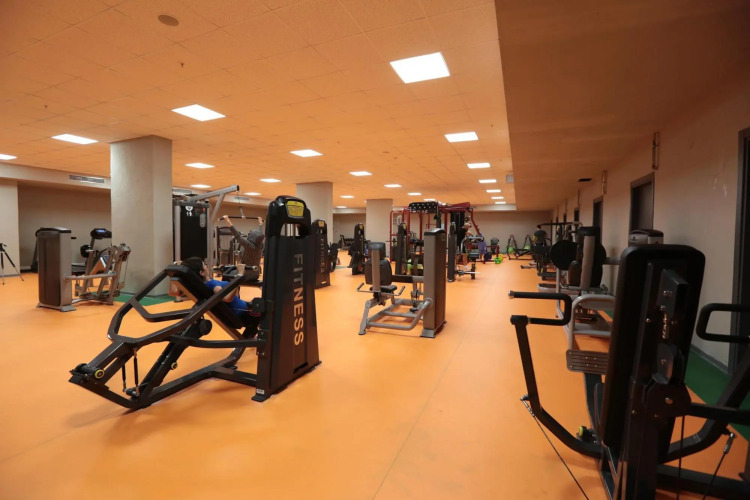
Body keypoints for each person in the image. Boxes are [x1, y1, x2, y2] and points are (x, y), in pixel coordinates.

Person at [168, 256, 260, 333]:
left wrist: (175, 274)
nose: (207, 266)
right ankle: (253, 335)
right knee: (263, 307)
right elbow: (227, 298)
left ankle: (251, 334)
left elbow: (173, 292)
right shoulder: (212, 284)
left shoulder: (201, 287)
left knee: (258, 305)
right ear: (202, 272)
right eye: (204, 265)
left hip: (243, 309)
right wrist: (239, 276)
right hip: (245, 313)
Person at [222, 215, 264, 281]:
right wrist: (260, 223)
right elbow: (261, 235)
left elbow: (237, 235)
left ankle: (228, 287)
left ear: (252, 237)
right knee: (232, 269)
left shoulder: (249, 246)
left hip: (246, 275)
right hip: (256, 275)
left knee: (225, 273)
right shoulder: (260, 245)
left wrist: (227, 220)